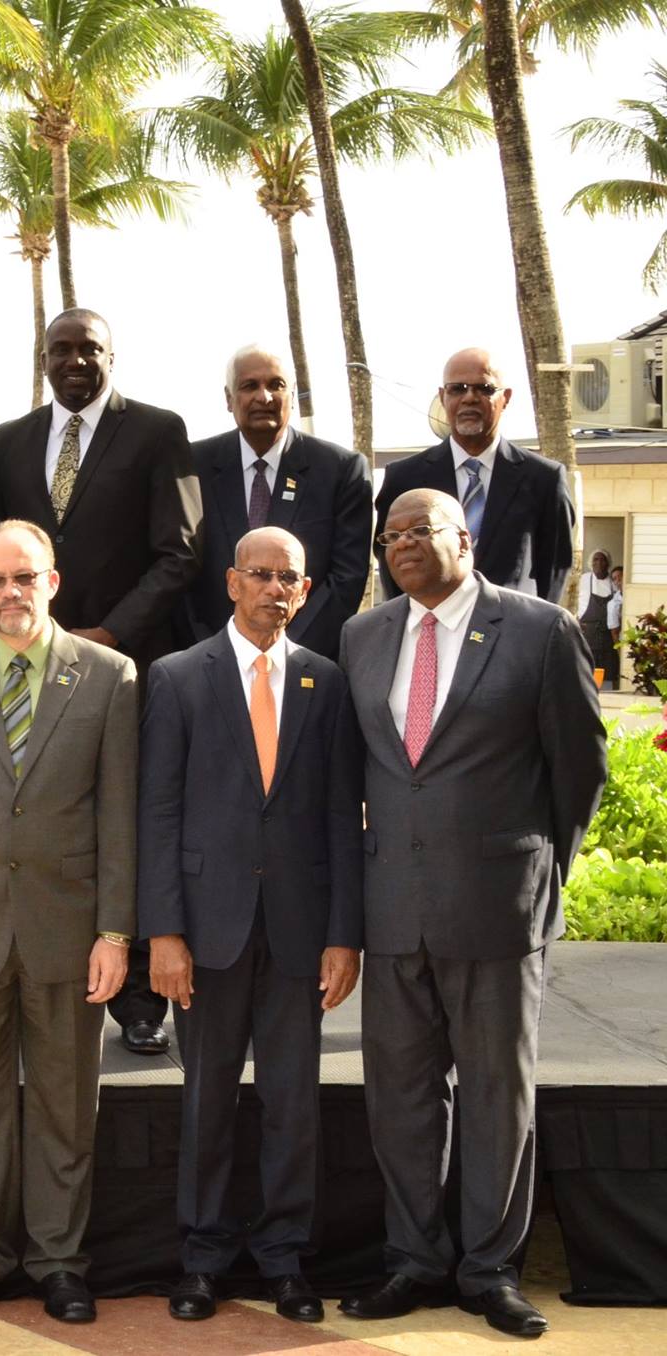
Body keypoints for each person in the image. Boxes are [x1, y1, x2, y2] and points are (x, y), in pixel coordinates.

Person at [338, 489, 606, 1338]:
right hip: (393, 911)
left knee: (497, 1096)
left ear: (468, 538)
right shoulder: (363, 635)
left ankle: (490, 1270)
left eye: (422, 531)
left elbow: (581, 769)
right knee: (402, 1101)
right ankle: (414, 1260)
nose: (404, 546)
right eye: (392, 536)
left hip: (498, 906)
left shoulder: (537, 629)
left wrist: (541, 873)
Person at [0, 519, 136, 1326]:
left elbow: (119, 813)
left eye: (26, 578)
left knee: (65, 1103)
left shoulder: (109, 675)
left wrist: (115, 932)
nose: (12, 593)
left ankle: (59, 1261)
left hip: (69, 927)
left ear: (53, 582)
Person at [138, 527, 363, 1324]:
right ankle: (201, 1258)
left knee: (292, 1101)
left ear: (305, 592)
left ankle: (284, 1258)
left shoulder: (326, 682)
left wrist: (345, 935)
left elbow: (343, 814)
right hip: (206, 932)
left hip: (302, 931)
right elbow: (157, 813)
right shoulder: (176, 678)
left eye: (289, 579)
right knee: (206, 1100)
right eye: (260, 575)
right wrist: (162, 932)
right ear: (232, 583)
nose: (274, 590)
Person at [0, 308, 200, 1059]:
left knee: (121, 817)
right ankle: (28, 974)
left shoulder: (159, 431)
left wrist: (107, 635)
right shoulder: (9, 441)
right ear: (44, 358)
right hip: (22, 669)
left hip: (121, 666)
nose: (75, 361)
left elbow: (180, 552)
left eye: (90, 349)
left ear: (114, 354)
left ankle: (137, 999)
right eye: (61, 350)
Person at [179, 346, 372, 661]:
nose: (264, 397)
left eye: (276, 385)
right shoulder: (191, 467)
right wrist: (220, 649)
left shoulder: (339, 470)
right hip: (208, 658)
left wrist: (280, 649)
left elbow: (346, 578)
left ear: (293, 396)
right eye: (249, 386)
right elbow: (180, 569)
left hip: (304, 658)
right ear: (229, 399)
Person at [373, 349, 574, 603]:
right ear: (443, 396)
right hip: (430, 626)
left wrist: (536, 631)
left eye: (484, 389)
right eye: (458, 389)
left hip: (509, 628)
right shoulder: (404, 477)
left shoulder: (543, 478)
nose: (470, 398)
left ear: (506, 398)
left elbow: (555, 566)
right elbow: (391, 559)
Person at [579, 550, 619, 688]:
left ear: (608, 563)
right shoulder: (584, 579)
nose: (599, 563)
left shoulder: (613, 582)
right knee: (588, 666)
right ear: (591, 562)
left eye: (602, 560)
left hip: (608, 634)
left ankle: (607, 693)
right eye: (596, 559)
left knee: (607, 668)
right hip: (588, 632)